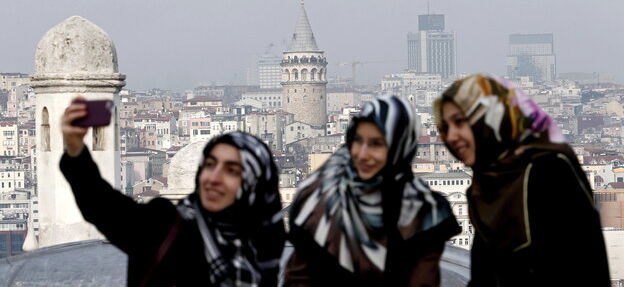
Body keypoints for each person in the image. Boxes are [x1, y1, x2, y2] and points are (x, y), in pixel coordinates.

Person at [60, 97, 286, 287]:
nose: (213, 178)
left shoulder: (267, 239)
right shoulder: (167, 226)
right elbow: (104, 207)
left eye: (232, 170)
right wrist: (75, 149)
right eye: (209, 164)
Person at [434, 74, 610, 286]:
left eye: (460, 122)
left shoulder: (547, 169)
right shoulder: (486, 184)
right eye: (445, 127)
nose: (452, 136)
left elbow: (575, 265)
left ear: (492, 116)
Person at [284, 95, 460, 286]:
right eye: (358, 141)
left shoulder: (424, 212)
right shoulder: (320, 199)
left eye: (377, 143)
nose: (363, 154)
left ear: (400, 146)